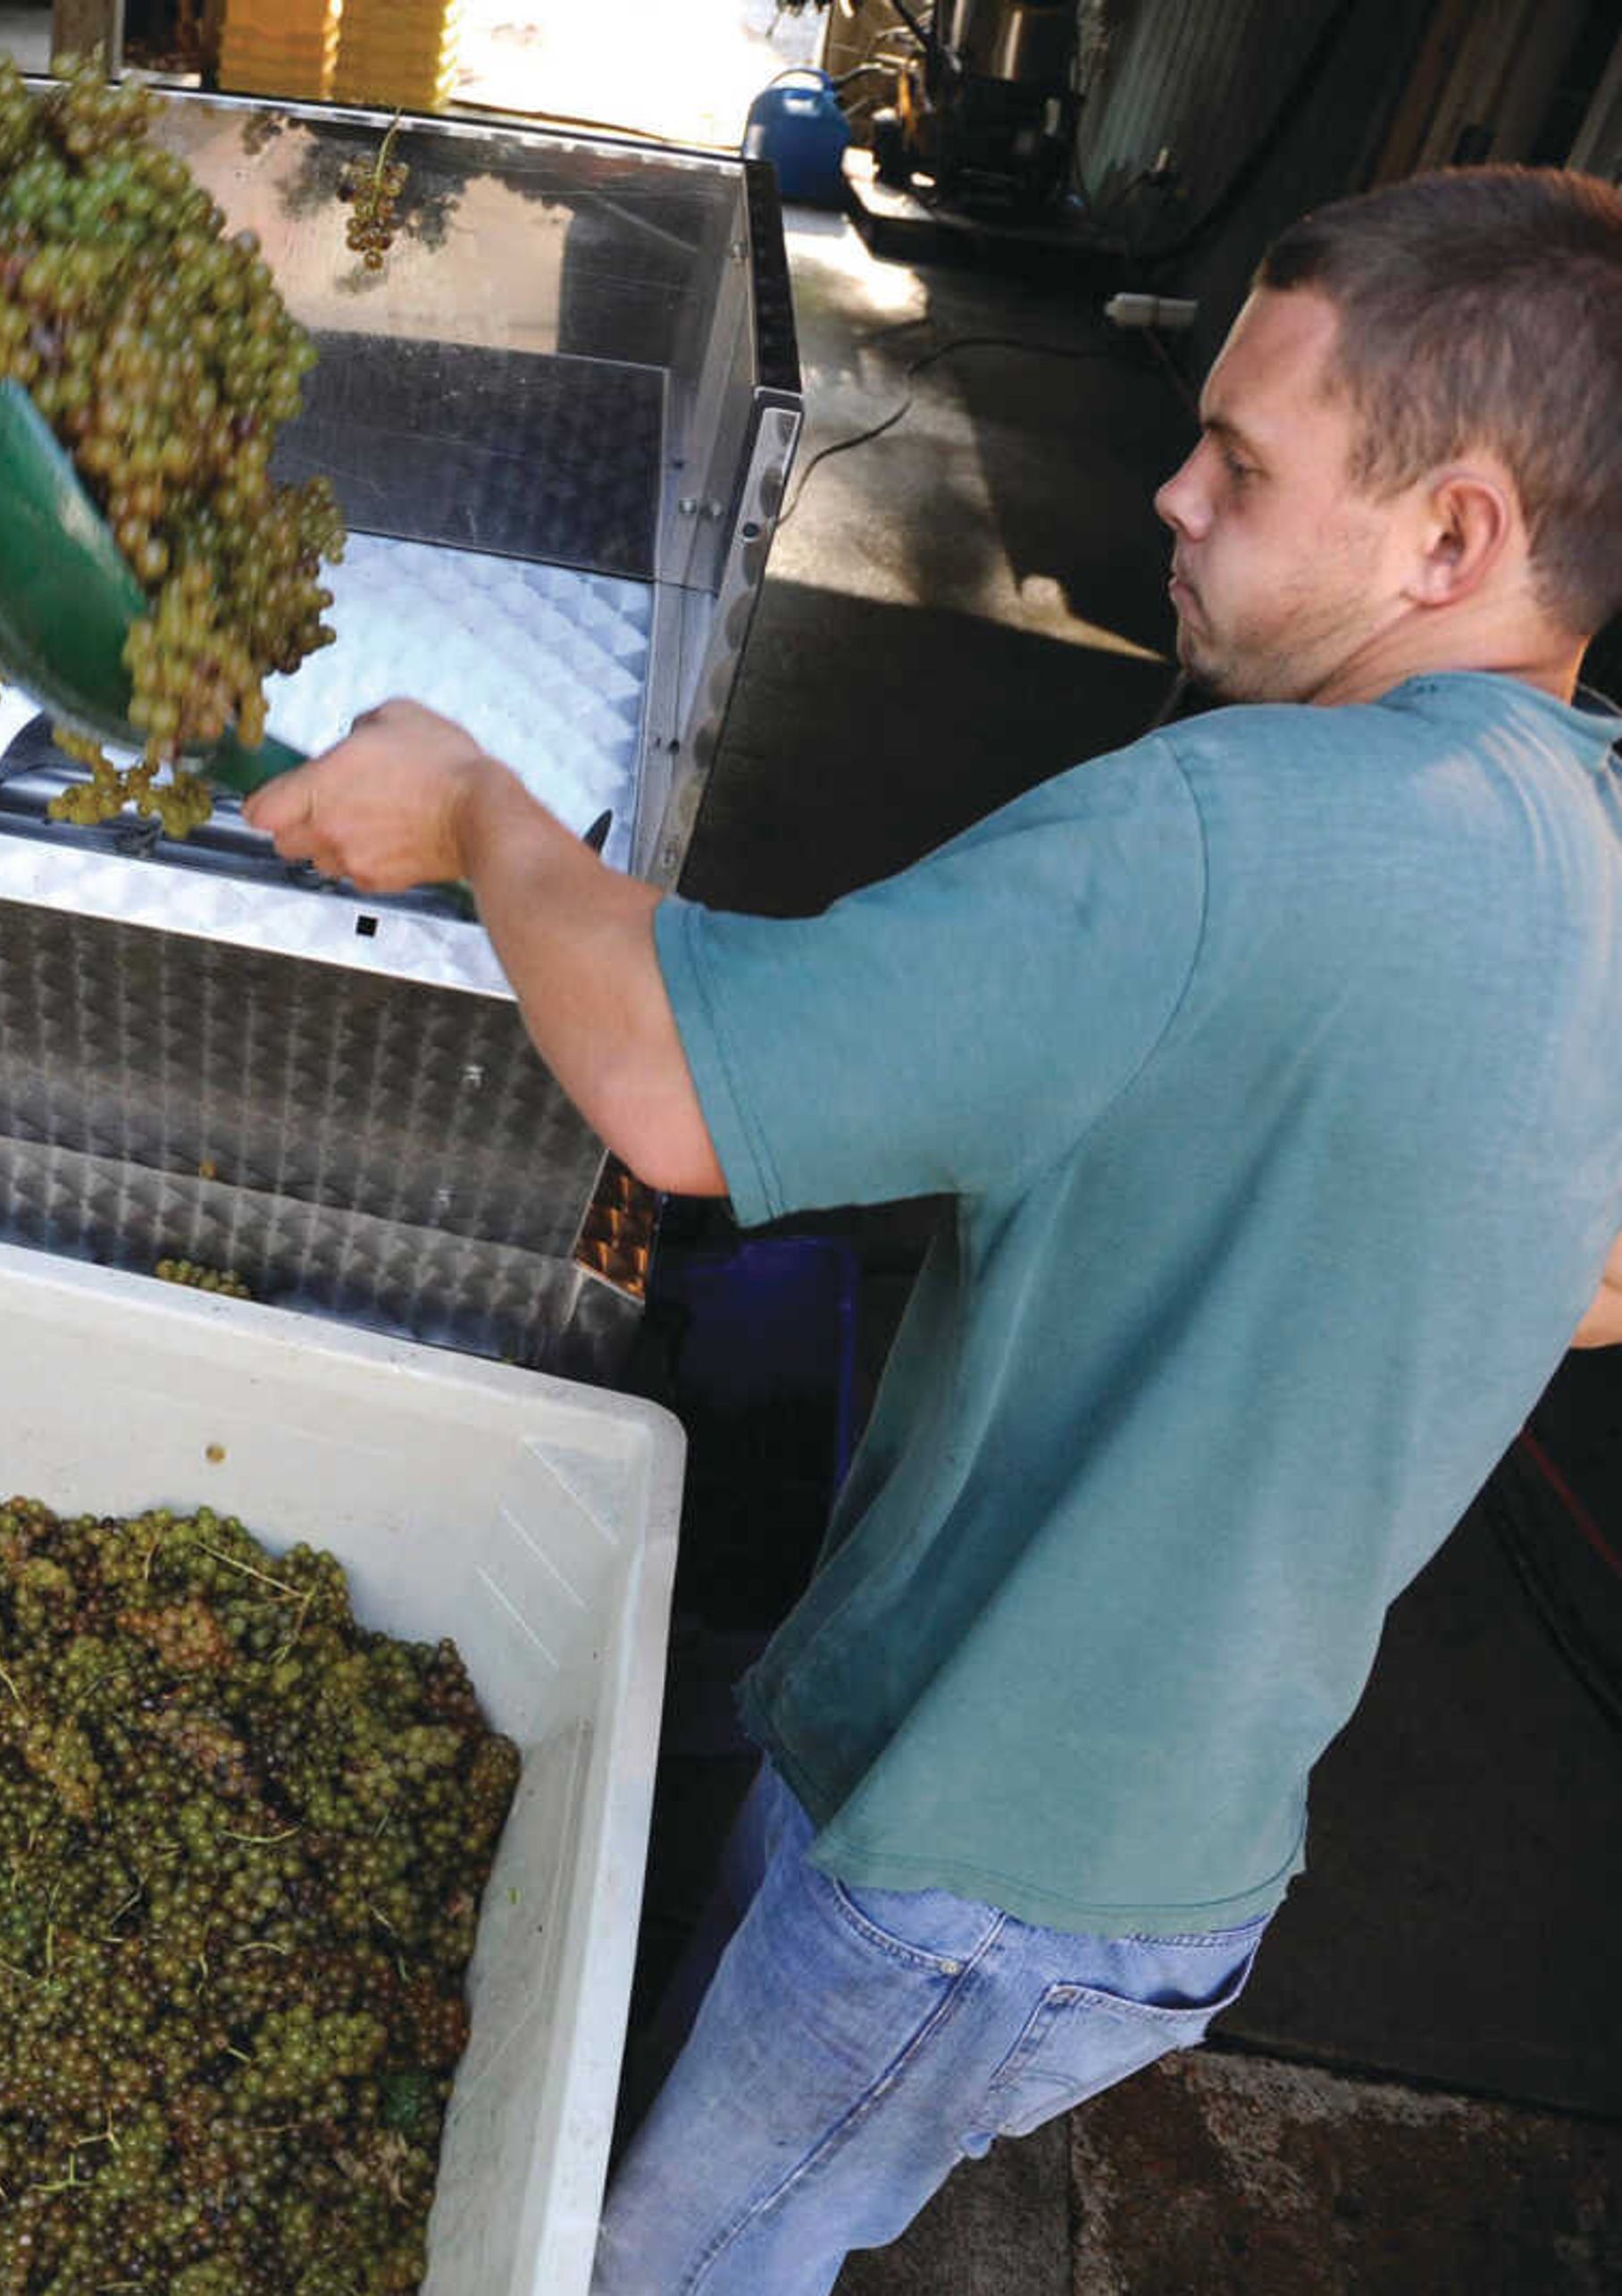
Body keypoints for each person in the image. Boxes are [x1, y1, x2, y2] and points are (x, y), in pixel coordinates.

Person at [243, 164, 1622, 2292]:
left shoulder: (1225, 832)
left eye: (1242, 466)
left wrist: (476, 821)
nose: (1165, 490)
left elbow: (681, 1087)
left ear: (1452, 535)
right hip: (1169, 1864)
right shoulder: (1590, 832)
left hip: (963, 1871)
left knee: (667, 2267)